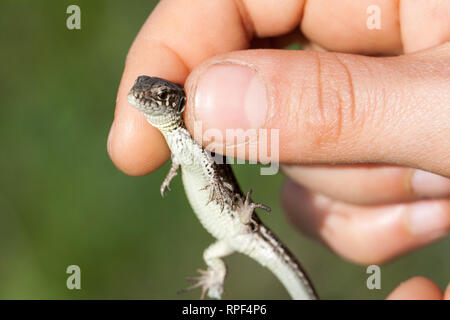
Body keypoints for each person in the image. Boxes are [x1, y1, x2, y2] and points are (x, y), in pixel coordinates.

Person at [107, 0, 450, 299]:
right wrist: (173, 170)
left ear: (175, 102)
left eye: (161, 96)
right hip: (230, 235)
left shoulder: (192, 128)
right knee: (214, 256)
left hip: (243, 228)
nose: (145, 98)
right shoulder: (176, 135)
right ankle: (216, 277)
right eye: (143, 91)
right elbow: (186, 159)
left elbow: (207, 165)